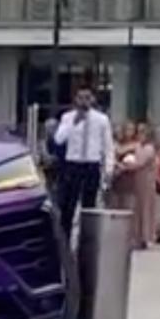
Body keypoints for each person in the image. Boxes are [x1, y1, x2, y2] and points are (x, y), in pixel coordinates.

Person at [53, 88, 114, 236]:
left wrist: (108, 169)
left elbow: (108, 145)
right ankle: (65, 240)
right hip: (72, 164)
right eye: (81, 98)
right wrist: (73, 123)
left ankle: (87, 240)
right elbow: (58, 139)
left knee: (89, 206)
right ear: (76, 100)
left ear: (92, 99)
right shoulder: (68, 117)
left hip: (91, 165)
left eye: (87, 97)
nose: (84, 101)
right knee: (67, 205)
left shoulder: (101, 119)